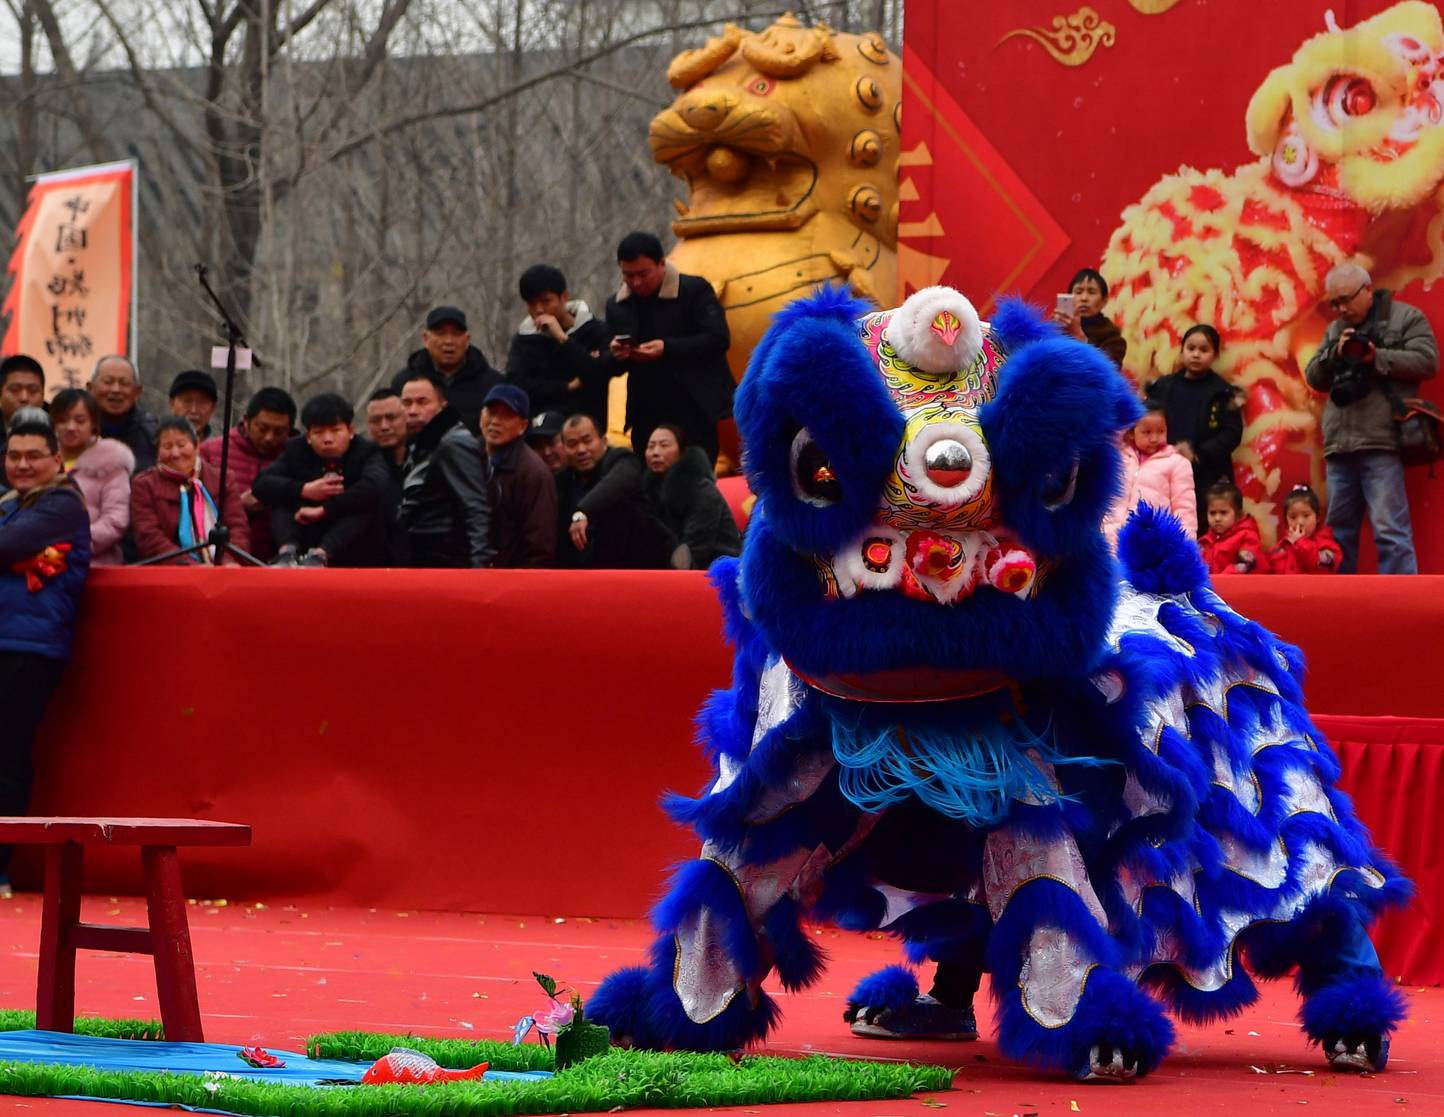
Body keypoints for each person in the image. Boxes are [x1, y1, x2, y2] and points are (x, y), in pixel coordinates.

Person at [0, 412, 91, 894]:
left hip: (28, 646)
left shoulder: (63, 504)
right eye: (14, 455)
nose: (22, 464)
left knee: (7, 754)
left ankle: (0, 865)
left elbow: (9, 545)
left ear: (57, 459)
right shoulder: (9, 503)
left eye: (33, 455)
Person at [1304, 262, 1438, 574]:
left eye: (1346, 300)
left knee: (1390, 530)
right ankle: (1340, 598)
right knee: (1338, 534)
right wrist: (1334, 355)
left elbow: (1427, 361)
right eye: (1334, 303)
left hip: (1381, 441)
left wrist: (1377, 356)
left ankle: (1402, 599)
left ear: (1367, 290)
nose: (1341, 309)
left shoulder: (1405, 317)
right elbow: (1313, 377)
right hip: (1340, 445)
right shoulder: (1336, 330)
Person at [604, 231, 733, 463]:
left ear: (662, 264)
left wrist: (667, 348)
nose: (636, 282)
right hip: (647, 408)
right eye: (628, 275)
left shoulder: (694, 290)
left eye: (643, 274)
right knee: (650, 475)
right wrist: (617, 354)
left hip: (695, 403)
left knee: (695, 473)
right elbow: (611, 366)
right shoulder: (618, 305)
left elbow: (718, 338)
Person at [253, 393, 389, 568]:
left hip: (350, 542)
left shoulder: (367, 452)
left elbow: (375, 487)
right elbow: (261, 484)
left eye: (335, 431)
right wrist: (304, 489)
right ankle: (287, 553)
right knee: (281, 498)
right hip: (304, 528)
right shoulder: (296, 450)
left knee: (366, 506)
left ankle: (321, 555)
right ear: (308, 437)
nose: (327, 439)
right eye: (318, 432)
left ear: (350, 431)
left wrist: (324, 509)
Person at [398, 374, 494, 568]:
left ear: (442, 405)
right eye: (406, 403)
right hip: (424, 556)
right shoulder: (422, 444)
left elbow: (475, 507)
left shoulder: (454, 443)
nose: (413, 411)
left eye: (422, 402)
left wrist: (480, 568)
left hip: (448, 560)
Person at [1146, 324, 1243, 514]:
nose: (1196, 354)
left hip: (1207, 474)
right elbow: (1146, 421)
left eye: (1204, 350)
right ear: (1182, 351)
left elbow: (1232, 433)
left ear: (1215, 355)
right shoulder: (1163, 386)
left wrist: (1199, 456)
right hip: (1164, 470)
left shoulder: (1222, 392)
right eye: (1191, 348)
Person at [130, 417, 250, 564]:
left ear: (196, 445)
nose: (175, 453)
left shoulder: (223, 479)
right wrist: (190, 566)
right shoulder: (144, 484)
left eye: (181, 445)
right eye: (167, 447)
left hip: (224, 568)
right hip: (170, 570)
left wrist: (228, 562)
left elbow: (238, 528)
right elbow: (149, 536)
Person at [506, 264, 611, 428]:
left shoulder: (594, 330)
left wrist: (563, 339)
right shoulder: (524, 340)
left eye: (546, 301)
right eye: (532, 304)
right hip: (541, 427)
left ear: (564, 297)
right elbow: (517, 384)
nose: (539, 310)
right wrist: (566, 387)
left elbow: (598, 375)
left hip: (588, 424)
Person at [200, 386, 296, 563]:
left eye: (279, 432)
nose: (269, 437)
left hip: (279, 562)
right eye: (262, 428)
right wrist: (236, 505)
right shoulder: (212, 451)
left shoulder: (295, 456)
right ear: (246, 420)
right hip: (222, 560)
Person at [555, 413, 660, 569]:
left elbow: (620, 480)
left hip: (634, 567)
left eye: (587, 441)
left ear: (604, 441)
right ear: (563, 449)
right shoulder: (561, 480)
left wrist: (583, 512)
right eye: (572, 444)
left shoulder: (622, 460)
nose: (581, 449)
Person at [390, 306, 501, 437]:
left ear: (467, 340)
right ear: (426, 339)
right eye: (440, 333)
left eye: (456, 334)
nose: (449, 341)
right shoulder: (405, 382)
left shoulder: (493, 384)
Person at [51, 388, 132, 567]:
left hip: (94, 564)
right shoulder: (42, 459)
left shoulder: (111, 462)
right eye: (63, 420)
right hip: (41, 563)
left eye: (80, 421)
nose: (71, 427)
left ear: (94, 423)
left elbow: (115, 521)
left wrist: (71, 544)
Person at [642, 423, 741, 570]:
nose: (655, 452)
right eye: (650, 446)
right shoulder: (648, 492)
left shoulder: (702, 491)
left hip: (717, 570)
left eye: (664, 445)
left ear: (682, 452)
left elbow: (694, 551)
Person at [479, 384, 556, 568]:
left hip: (509, 576)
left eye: (505, 416)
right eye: (491, 412)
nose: (495, 421)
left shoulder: (533, 473)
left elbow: (540, 545)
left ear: (523, 426)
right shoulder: (466, 456)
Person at [1102, 401, 1196, 544]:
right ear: (1131, 432)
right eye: (1146, 432)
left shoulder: (1178, 463)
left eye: (1161, 431)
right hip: (1109, 540)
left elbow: (1185, 511)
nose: (1154, 438)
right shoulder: (1118, 457)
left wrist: (1186, 547)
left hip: (1150, 544)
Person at [89, 355, 158, 473]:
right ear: (90, 387)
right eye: (108, 382)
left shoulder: (153, 434)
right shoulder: (75, 429)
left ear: (138, 391)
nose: (116, 389)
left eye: (124, 383)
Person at [365, 387, 409, 564]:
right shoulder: (362, 464)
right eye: (376, 421)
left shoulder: (427, 461)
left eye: (391, 418)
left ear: (405, 418)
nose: (384, 427)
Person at [1051, 267, 1127, 367]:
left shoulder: (1113, 338)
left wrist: (1080, 337)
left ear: (1104, 301)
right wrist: (1053, 332)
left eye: (1091, 292)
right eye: (1078, 292)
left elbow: (1106, 370)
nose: (1084, 298)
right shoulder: (1056, 329)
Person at [1267, 484, 1342, 575]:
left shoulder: (1328, 545)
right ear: (1286, 520)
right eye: (1293, 517)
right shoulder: (1279, 549)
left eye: (1306, 515)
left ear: (1317, 517)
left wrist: (1300, 542)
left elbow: (1321, 567)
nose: (1300, 522)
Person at [1199, 481, 1266, 575]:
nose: (1217, 518)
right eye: (1212, 513)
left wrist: (1222, 578)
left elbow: (1247, 564)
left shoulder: (1247, 536)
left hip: (1238, 584)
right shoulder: (1204, 542)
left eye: (1223, 513)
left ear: (1238, 515)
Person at [0, 356, 46, 436]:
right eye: (15, 389)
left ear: (43, 395)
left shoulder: (57, 426)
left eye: (33, 390)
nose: (24, 398)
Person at [168, 370, 219, 440]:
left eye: (201, 402)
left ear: (213, 408)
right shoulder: (154, 444)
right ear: (172, 404)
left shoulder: (223, 446)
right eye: (187, 401)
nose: (193, 410)